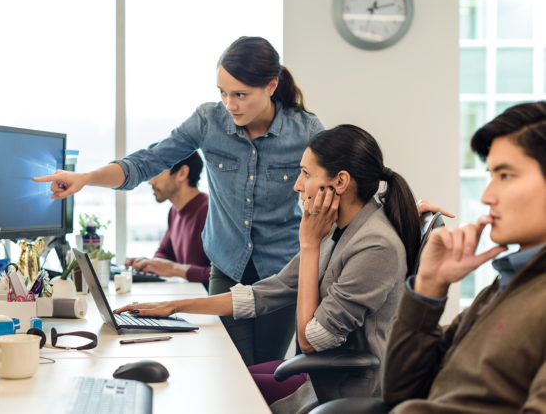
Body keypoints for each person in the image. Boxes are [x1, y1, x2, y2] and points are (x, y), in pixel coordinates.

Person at [34, 36, 323, 365]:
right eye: (223, 93)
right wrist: (87, 179)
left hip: (282, 273)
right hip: (228, 267)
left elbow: (333, 193)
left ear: (271, 86)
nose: (230, 105)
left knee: (265, 370)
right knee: (232, 368)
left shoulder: (306, 131)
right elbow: (146, 162)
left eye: (240, 95)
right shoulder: (208, 121)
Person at [116, 124, 421, 413]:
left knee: (224, 391)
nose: (297, 185)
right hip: (322, 375)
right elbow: (267, 292)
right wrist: (173, 306)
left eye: (305, 173)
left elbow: (310, 340)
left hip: (343, 387)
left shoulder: (373, 246)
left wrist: (309, 245)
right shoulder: (337, 227)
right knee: (225, 375)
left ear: (340, 182)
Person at [382, 102, 546, 413]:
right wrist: (429, 287)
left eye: (506, 176)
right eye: (491, 175)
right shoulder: (503, 285)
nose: (487, 196)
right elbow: (400, 390)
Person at [124, 152, 211, 286]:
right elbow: (164, 253)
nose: (150, 181)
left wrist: (174, 269)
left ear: (182, 173)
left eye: (157, 172)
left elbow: (223, 277)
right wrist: (149, 264)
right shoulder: (174, 211)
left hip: (208, 303)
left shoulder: (209, 213)